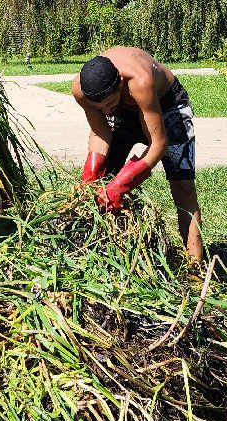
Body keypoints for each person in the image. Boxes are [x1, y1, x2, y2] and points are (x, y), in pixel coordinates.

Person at [72, 46, 203, 265]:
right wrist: (90, 176)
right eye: (99, 107)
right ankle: (110, 259)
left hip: (167, 104)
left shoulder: (139, 81)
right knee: (102, 184)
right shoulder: (82, 91)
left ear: (120, 84)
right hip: (125, 112)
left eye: (109, 104)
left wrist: (122, 184)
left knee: (183, 188)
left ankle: (196, 267)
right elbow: (100, 132)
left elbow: (158, 144)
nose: (105, 112)